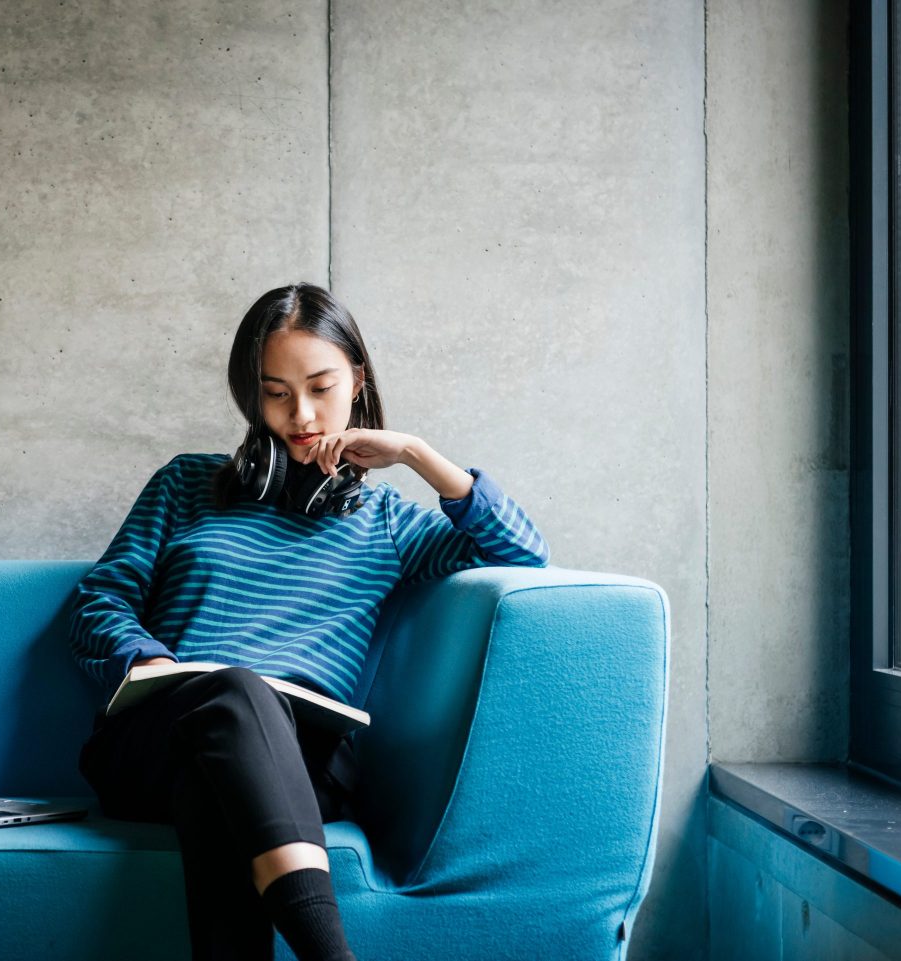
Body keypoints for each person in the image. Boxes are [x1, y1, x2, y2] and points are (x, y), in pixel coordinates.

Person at [69, 283, 550, 961]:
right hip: (158, 735)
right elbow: (98, 600)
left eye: (321, 387)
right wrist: (146, 660)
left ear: (357, 380)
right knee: (234, 694)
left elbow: (524, 553)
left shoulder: (387, 523)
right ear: (250, 396)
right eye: (275, 393)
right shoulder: (184, 484)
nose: (301, 415)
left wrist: (416, 453)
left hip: (298, 765)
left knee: (216, 788)